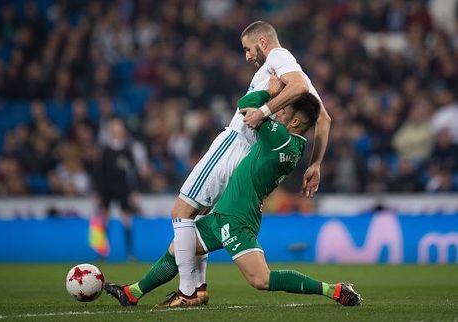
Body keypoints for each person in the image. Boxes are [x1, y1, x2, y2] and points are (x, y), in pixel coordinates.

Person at [104, 90, 360, 307]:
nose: (277, 112)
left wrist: (271, 92)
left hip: (236, 218)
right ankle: (132, 293)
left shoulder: (281, 139)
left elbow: (245, 106)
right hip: (227, 213)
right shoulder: (297, 145)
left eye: (283, 110)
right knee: (179, 249)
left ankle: (334, 290)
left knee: (261, 280)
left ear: (294, 123)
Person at [170, 20, 332, 303]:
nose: (247, 56)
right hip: (250, 153)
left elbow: (297, 85)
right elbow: (325, 119)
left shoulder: (278, 57)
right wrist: (315, 164)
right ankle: (190, 289)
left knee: (181, 211)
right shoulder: (294, 72)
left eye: (247, 48)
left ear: (263, 42)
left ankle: (188, 291)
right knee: (198, 217)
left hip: (236, 142)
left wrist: (265, 108)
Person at [93, 118, 141, 259]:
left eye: (119, 127)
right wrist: (98, 192)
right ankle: (102, 253)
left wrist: (134, 190)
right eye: (114, 127)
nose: (117, 130)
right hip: (107, 188)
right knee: (103, 218)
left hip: (123, 188)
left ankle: (130, 253)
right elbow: (99, 171)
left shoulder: (127, 149)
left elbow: (133, 171)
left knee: (126, 219)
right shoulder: (105, 149)